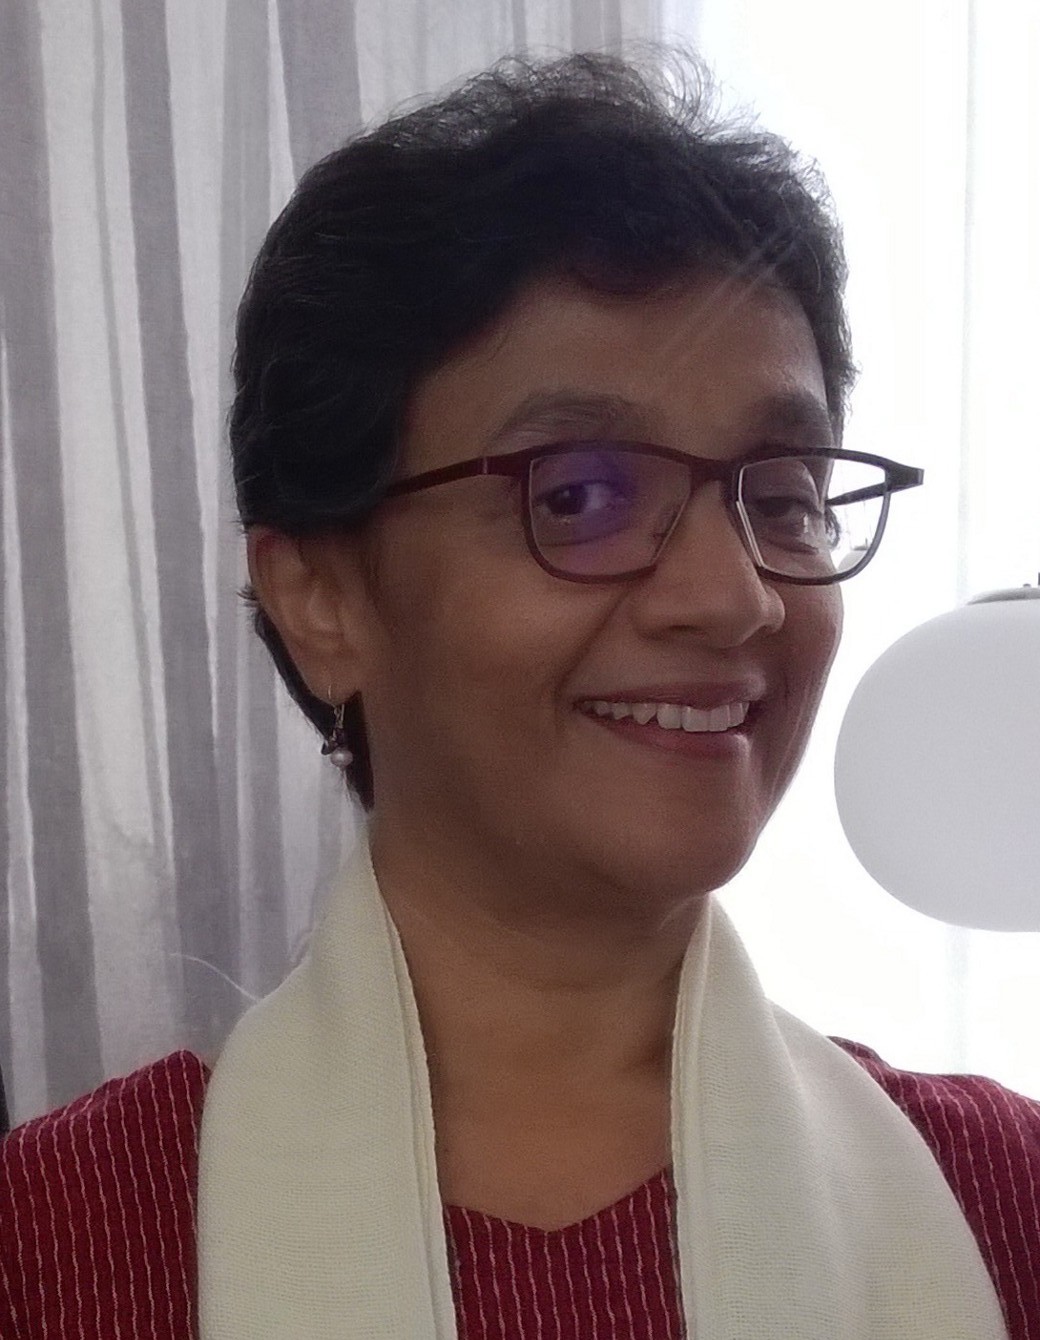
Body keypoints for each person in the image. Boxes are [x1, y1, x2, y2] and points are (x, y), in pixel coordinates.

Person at [2, 50, 1038, 1340]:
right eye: (582, 495)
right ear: (323, 597)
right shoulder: (63, 1245)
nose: (732, 599)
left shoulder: (1002, 1200)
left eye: (784, 495)